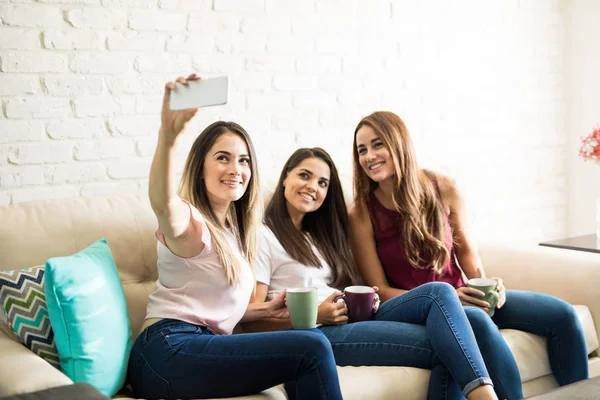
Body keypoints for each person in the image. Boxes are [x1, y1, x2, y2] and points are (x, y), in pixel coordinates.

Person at [127, 74, 344, 400]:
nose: (235, 168)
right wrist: (168, 138)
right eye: (223, 158)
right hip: (166, 349)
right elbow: (162, 203)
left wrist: (268, 309)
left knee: (305, 353)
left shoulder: (235, 233)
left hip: (202, 344)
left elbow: (218, 310)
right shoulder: (191, 220)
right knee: (312, 346)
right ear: (201, 167)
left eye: (243, 160)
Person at [348, 111, 590, 400]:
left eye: (377, 145)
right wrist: (448, 299)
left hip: (464, 296)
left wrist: (486, 285)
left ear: (399, 144)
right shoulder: (361, 214)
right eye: (362, 150)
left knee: (562, 315)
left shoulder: (442, 187)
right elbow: (380, 291)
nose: (369, 156)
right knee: (477, 322)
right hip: (418, 310)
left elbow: (466, 253)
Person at [243, 147, 499, 400]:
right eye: (304, 175)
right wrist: (314, 315)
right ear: (285, 177)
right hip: (317, 333)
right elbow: (253, 322)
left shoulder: (319, 237)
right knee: (447, 332)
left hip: (352, 320)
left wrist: (364, 300)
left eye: (323, 183)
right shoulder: (263, 236)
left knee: (453, 311)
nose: (313, 186)